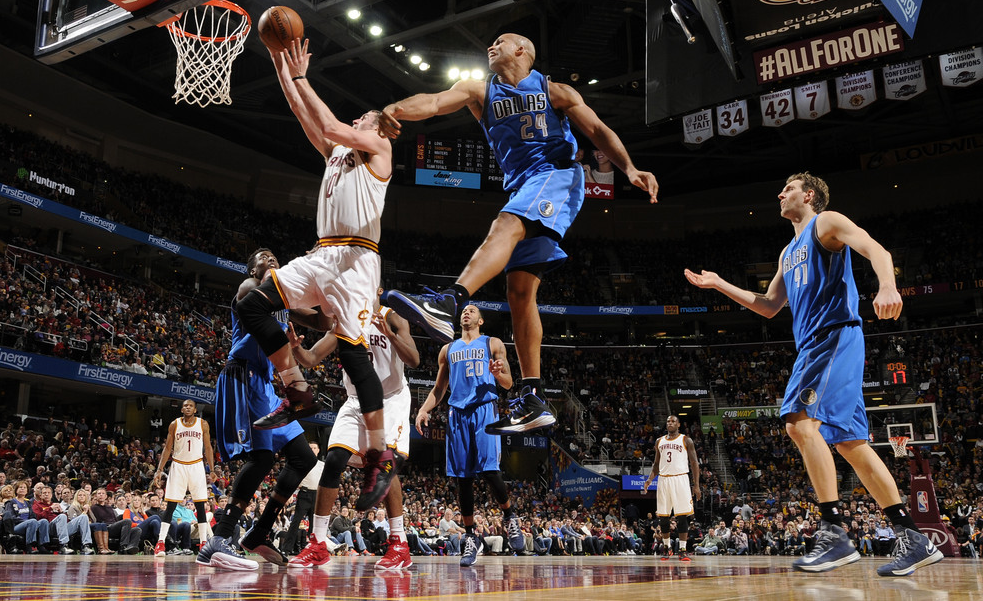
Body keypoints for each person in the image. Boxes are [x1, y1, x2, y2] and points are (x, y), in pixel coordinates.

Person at [376, 33, 658, 435]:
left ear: (522, 50)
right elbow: (435, 102)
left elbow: (597, 130)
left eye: (500, 41)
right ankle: (533, 396)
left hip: (557, 175)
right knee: (520, 292)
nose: (491, 46)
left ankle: (447, 301)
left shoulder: (553, 90)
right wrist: (396, 110)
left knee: (506, 225)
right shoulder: (479, 89)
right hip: (524, 184)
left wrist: (629, 169)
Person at [684, 172, 943, 577]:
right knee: (851, 445)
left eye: (787, 188)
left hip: (834, 336)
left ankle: (835, 532)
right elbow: (769, 305)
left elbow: (875, 249)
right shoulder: (789, 252)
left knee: (799, 422)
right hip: (817, 345)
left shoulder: (826, 223)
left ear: (808, 195)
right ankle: (914, 537)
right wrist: (719, 284)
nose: (779, 193)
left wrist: (887, 285)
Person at [233, 38, 396, 512]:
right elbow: (309, 118)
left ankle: (379, 454)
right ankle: (298, 390)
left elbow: (327, 121)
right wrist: (283, 69)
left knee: (353, 354)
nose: (359, 118)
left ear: (379, 127)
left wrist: (304, 75)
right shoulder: (337, 156)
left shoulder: (379, 146)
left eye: (364, 116)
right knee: (252, 304)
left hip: (357, 260)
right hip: (322, 254)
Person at [200, 246, 319, 571]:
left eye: (275, 258)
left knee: (304, 457)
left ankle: (258, 533)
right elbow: (253, 298)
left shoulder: (283, 300)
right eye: (263, 257)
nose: (271, 260)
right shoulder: (249, 289)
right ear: (252, 269)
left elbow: (322, 319)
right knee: (262, 457)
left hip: (266, 386)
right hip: (243, 376)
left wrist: (320, 273)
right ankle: (221, 538)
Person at [287, 298, 420, 570]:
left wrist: (391, 335)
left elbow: (414, 360)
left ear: (378, 288)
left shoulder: (393, 317)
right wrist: (296, 348)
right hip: (357, 400)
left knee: (386, 463)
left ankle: (399, 543)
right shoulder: (345, 317)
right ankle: (318, 543)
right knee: (334, 459)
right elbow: (312, 358)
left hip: (389, 399)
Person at [415, 304, 525, 567]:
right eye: (464, 310)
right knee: (462, 478)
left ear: (481, 320)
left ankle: (510, 517)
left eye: (472, 310)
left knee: (490, 471)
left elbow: (509, 383)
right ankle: (470, 537)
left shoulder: (493, 343)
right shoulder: (448, 349)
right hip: (457, 413)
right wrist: (423, 409)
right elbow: (439, 387)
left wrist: (499, 374)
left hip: (485, 409)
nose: (467, 312)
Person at [152, 399, 214, 557]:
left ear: (195, 410)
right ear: (181, 410)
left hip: (196, 465)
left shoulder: (202, 424)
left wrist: (212, 469)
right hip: (178, 465)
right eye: (185, 405)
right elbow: (167, 448)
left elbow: (208, 447)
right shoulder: (174, 424)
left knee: (200, 505)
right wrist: (159, 469)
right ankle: (160, 543)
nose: (187, 407)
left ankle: (203, 543)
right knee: (171, 504)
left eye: (190, 406)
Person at [642, 415, 699, 562]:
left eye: (673, 421)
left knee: (682, 517)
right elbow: (656, 464)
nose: (670, 423)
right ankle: (667, 548)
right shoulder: (659, 441)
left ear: (679, 424)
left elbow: (694, 463)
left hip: (680, 478)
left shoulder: (686, 440)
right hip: (664, 479)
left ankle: (682, 550)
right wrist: (649, 479)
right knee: (664, 518)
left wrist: (696, 485)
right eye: (668, 421)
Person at [281, 442, 322, 555]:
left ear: (318, 450)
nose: (313, 449)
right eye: (310, 448)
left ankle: (314, 550)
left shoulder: (322, 465)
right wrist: (289, 494)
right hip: (304, 493)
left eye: (315, 448)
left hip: (317, 495)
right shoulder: (302, 462)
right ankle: (286, 549)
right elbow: (294, 479)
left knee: (314, 524)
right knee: (296, 521)